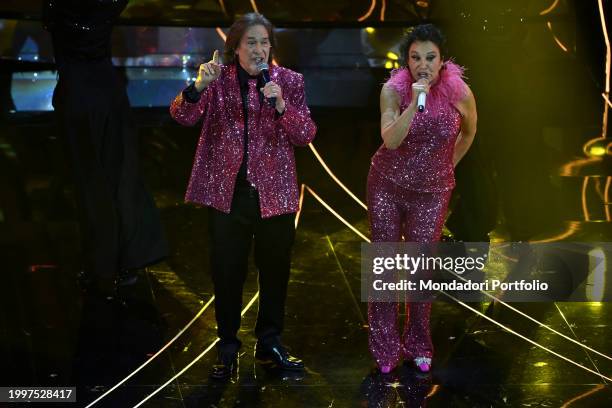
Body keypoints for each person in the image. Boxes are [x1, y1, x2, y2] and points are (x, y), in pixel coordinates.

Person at [169, 13, 316, 380]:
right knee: (227, 273)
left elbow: (306, 134)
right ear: (235, 46)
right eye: (251, 42)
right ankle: (227, 345)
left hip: (275, 197)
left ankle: (270, 344)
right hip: (228, 196)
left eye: (264, 43)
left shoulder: (289, 82)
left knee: (275, 272)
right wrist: (199, 86)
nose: (259, 50)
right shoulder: (217, 82)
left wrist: (281, 105)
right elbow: (181, 116)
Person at [366, 24, 477, 374]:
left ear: (442, 60)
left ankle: (417, 343)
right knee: (384, 267)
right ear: (407, 62)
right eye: (415, 58)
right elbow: (392, 140)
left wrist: (447, 166)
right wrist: (414, 103)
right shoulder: (392, 92)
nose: (423, 64)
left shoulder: (460, 92)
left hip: (432, 192)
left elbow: (470, 131)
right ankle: (385, 347)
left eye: (430, 57)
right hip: (387, 184)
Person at [43, 0, 168, 296]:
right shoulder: (106, 4)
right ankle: (124, 262)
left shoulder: (55, 7)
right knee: (118, 177)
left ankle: (102, 265)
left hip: (77, 96)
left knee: (91, 184)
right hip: (106, 94)